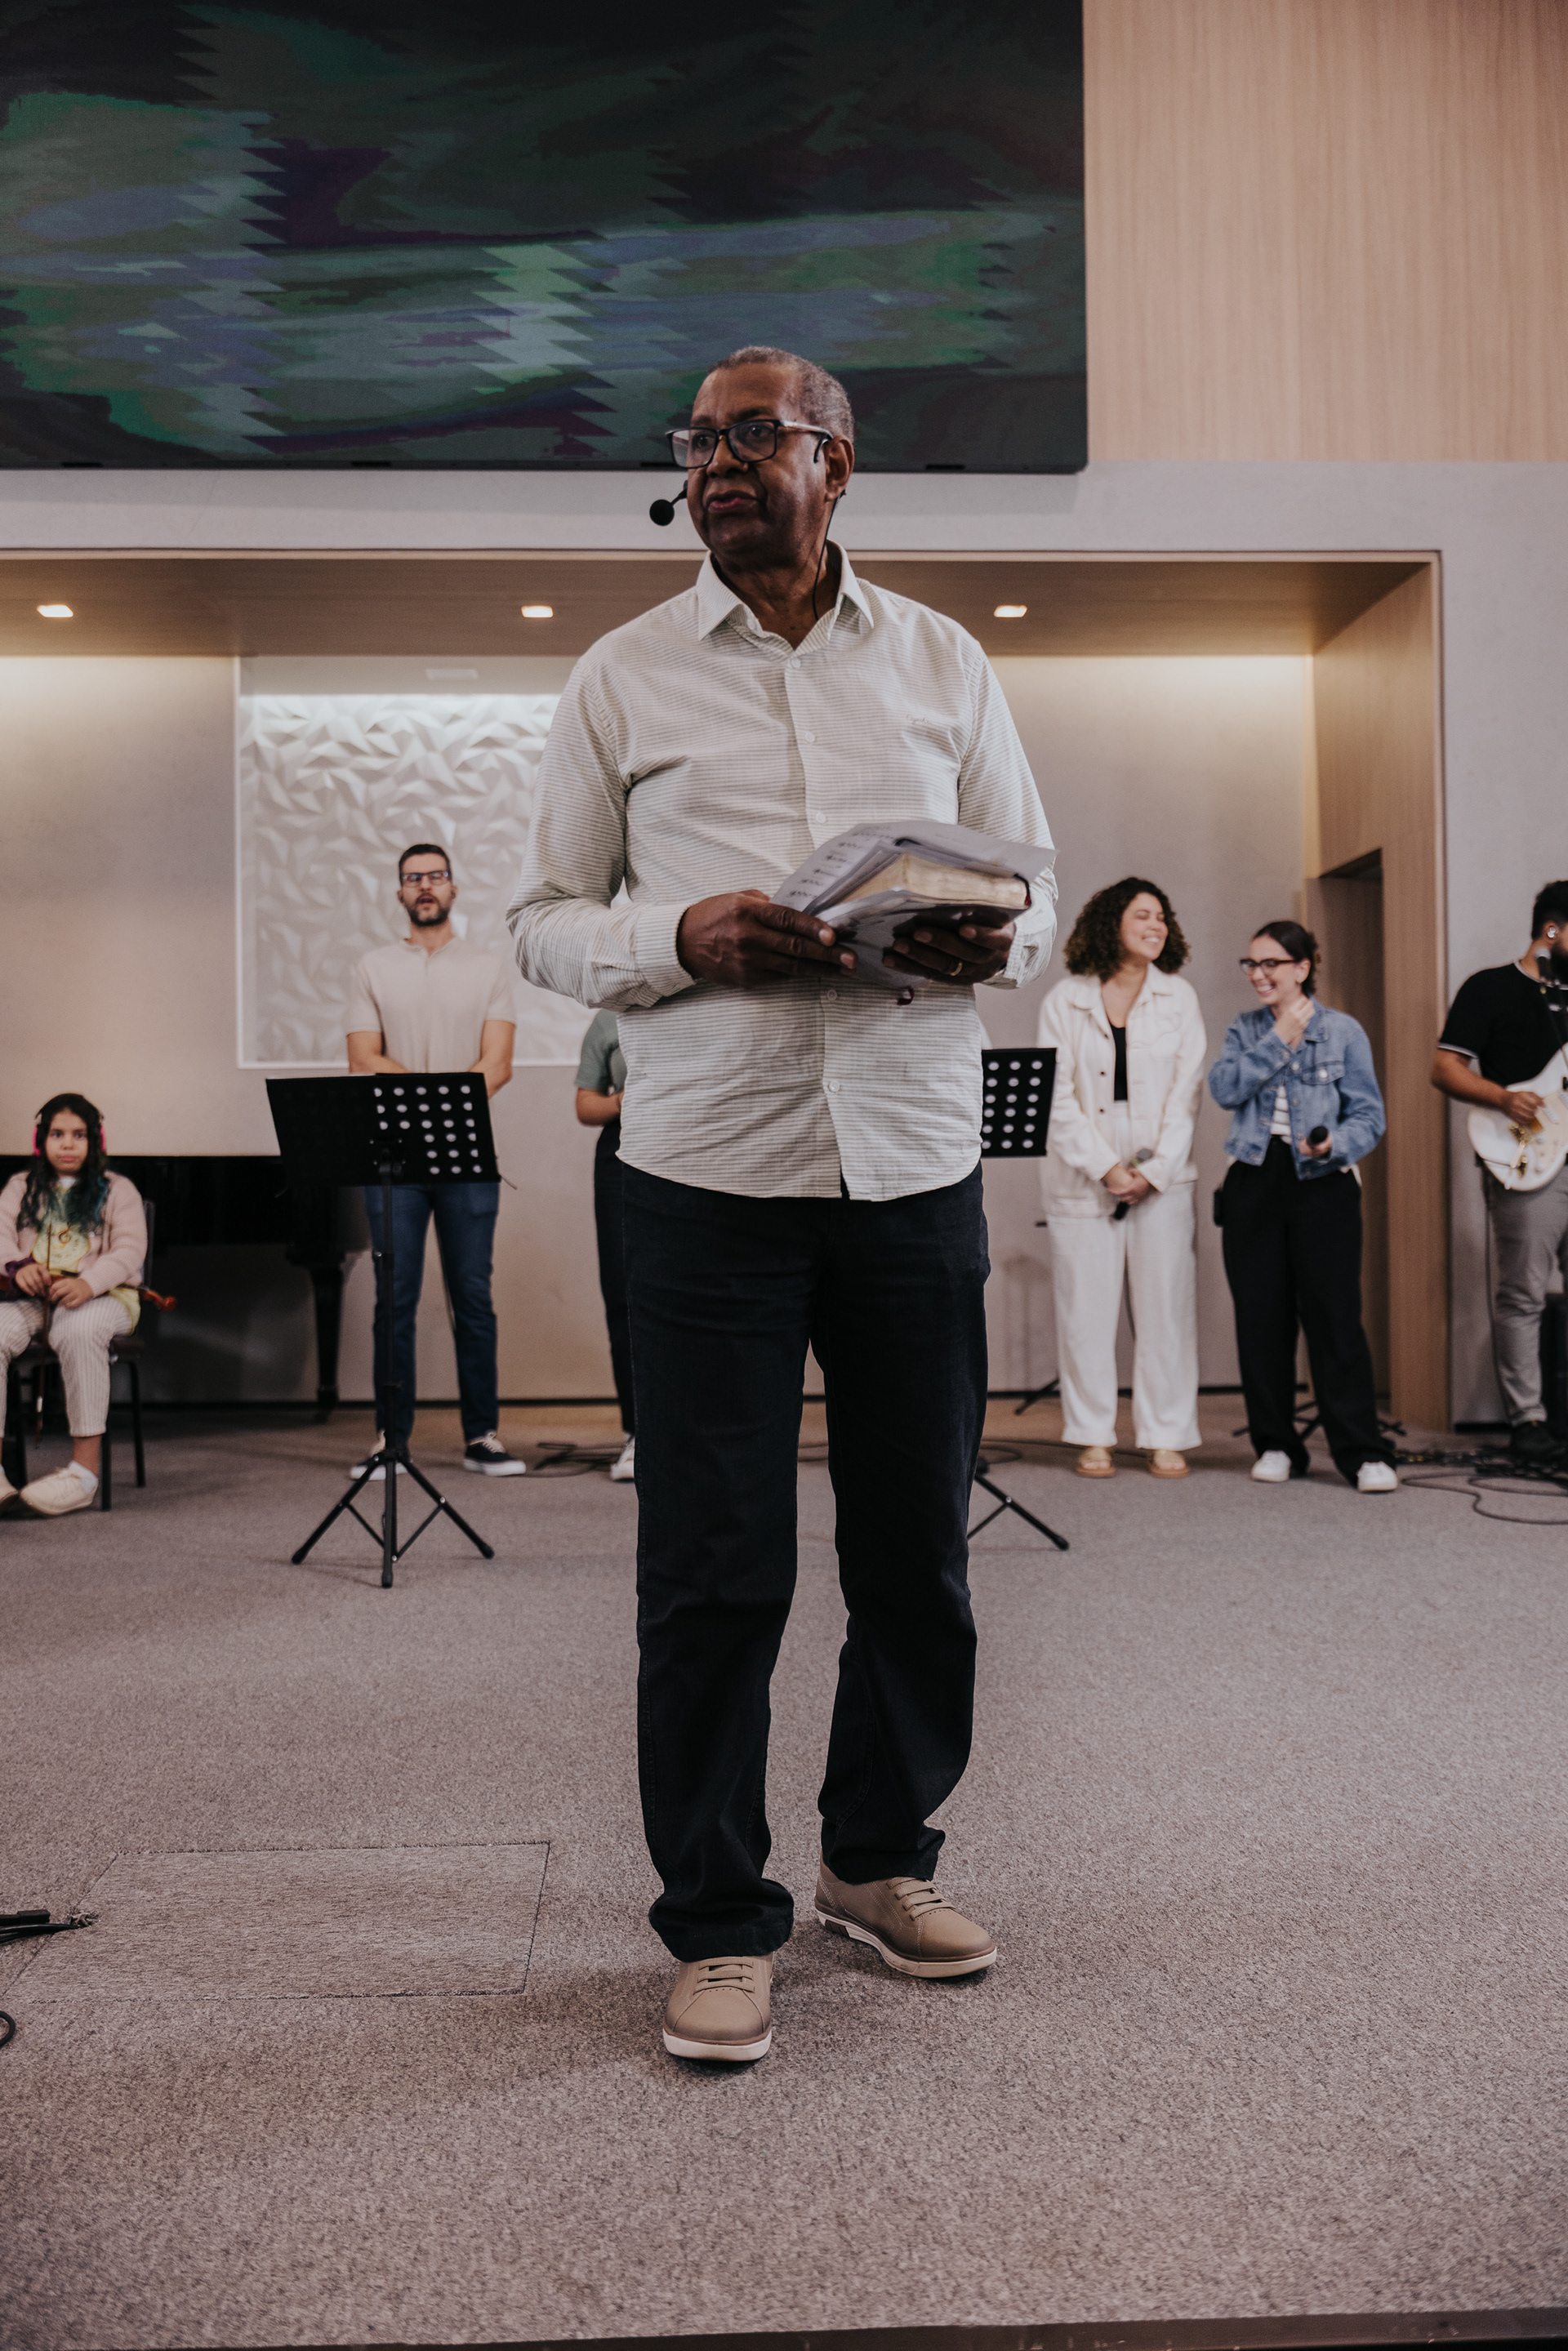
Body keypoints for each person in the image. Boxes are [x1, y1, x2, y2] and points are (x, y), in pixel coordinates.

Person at [509, 343, 1056, 2064]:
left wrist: (987, 935)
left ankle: (876, 1857)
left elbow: (1036, 890)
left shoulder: (944, 660)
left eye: (755, 436)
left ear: (837, 460)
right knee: (713, 1567)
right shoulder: (621, 675)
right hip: (704, 1180)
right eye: (698, 443)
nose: (718, 464)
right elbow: (542, 917)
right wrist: (680, 934)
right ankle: (718, 1914)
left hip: (912, 1161)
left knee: (917, 1553)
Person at [345, 843, 524, 1478]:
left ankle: (483, 1436)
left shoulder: (487, 967)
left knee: (472, 1297)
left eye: (436, 876)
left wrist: (425, 1098)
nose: (425, 885)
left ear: (453, 888)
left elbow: (497, 1064)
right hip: (392, 1159)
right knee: (393, 1300)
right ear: (400, 892)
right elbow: (362, 1059)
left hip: (466, 1155)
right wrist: (441, 1096)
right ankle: (390, 1440)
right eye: (413, 877)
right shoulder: (372, 967)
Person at [1209, 919, 1396, 1493]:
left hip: (1323, 1183)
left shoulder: (1344, 1031)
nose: (1258, 974)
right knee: (1261, 1321)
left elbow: (1370, 1116)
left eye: (1270, 963)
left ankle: (1362, 1452)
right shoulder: (1245, 1029)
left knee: (1334, 1319)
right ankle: (1275, 1443)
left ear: (1302, 967)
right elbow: (1224, 1089)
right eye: (1251, 964)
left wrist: (1333, 1143)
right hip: (1253, 1180)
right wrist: (1279, 1038)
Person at [1036, 878, 1206, 1479]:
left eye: (1162, 916)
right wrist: (1108, 1168)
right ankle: (1092, 1434)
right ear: (1111, 923)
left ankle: (1166, 1434)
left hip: (1163, 1180)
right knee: (1084, 1314)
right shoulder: (1065, 1000)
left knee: (1167, 1313)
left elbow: (1187, 1096)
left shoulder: (1179, 998)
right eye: (1143, 915)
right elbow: (1056, 1100)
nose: (1156, 925)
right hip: (1084, 1178)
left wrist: (1152, 1172)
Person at [1430, 880, 1568, 1467]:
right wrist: (1503, 1097)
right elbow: (1445, 1068)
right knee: (1523, 1293)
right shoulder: (1489, 988)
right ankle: (1528, 1421)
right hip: (1527, 1157)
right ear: (1552, 930)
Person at [0, 1094, 147, 1516]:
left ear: (95, 1141)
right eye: (57, 1134)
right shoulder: (21, 1186)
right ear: (40, 1140)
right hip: (35, 1299)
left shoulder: (119, 1189)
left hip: (105, 1296)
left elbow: (130, 1250)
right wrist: (18, 1267)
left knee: (78, 1330)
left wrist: (88, 1283)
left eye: (79, 1135)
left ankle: (83, 1474)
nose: (68, 1144)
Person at [575, 1009, 636, 1481]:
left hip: (695, 1148)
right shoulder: (608, 1017)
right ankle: (639, 1434)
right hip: (619, 1153)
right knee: (624, 1298)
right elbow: (585, 1105)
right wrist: (624, 1101)